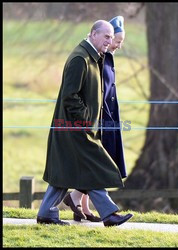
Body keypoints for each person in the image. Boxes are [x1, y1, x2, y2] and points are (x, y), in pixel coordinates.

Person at [37, 19, 133, 227]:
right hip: (75, 128)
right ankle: (109, 214)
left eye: (111, 37)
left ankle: (46, 213)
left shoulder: (92, 57)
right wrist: (86, 121)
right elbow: (70, 96)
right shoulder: (80, 59)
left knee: (64, 171)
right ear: (93, 34)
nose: (109, 41)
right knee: (96, 166)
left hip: (78, 128)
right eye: (106, 36)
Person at [63, 16, 127, 222]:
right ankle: (104, 211)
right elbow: (83, 93)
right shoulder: (95, 57)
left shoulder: (106, 56)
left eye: (117, 41)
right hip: (94, 119)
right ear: (97, 35)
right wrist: (87, 119)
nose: (116, 45)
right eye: (116, 40)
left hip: (105, 117)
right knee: (97, 161)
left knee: (94, 160)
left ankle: (76, 202)